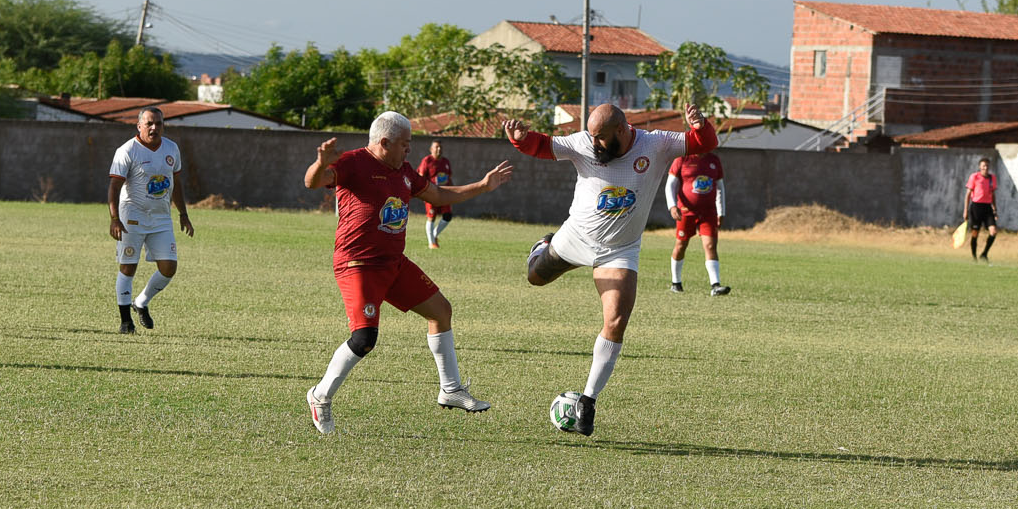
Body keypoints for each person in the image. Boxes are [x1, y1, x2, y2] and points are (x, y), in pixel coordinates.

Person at [502, 101, 717, 437]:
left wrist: (700, 126)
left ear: (621, 129)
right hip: (575, 238)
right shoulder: (584, 143)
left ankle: (587, 401)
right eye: (592, 136)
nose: (595, 144)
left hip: (619, 251)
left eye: (601, 137)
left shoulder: (656, 144)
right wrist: (520, 139)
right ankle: (544, 245)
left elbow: (703, 144)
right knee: (535, 278)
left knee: (616, 321)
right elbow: (543, 146)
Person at [303, 111, 513, 434]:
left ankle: (450, 389)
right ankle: (320, 395)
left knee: (441, 311)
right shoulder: (353, 163)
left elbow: (438, 195)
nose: (409, 150)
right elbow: (312, 182)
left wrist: (483, 186)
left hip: (393, 263)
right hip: (358, 264)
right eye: (405, 144)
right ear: (385, 142)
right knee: (364, 339)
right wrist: (320, 163)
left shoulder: (402, 171)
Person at [107, 106, 194, 333]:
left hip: (161, 218)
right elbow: (114, 186)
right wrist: (115, 218)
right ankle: (126, 321)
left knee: (169, 267)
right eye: (149, 124)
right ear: (139, 126)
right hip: (132, 217)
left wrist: (183, 214)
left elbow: (176, 183)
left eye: (159, 123)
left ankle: (141, 302)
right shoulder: (127, 150)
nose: (154, 127)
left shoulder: (171, 148)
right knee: (128, 267)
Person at [665, 144, 728, 295]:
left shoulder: (714, 160)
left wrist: (721, 211)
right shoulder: (682, 159)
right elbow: (670, 185)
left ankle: (715, 285)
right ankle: (676, 283)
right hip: (686, 212)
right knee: (681, 245)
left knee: (710, 246)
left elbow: (720, 187)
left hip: (709, 212)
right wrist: (672, 206)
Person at [418, 139, 454, 248]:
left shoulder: (446, 162)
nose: (439, 149)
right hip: (431, 194)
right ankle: (431, 243)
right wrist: (423, 193)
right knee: (431, 217)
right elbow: (421, 177)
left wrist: (452, 190)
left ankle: (434, 235)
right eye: (436, 147)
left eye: (440, 147)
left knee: (447, 216)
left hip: (444, 194)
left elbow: (449, 178)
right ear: (431, 149)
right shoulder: (427, 161)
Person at [963, 157, 1000, 262]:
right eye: (983, 165)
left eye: (987, 165)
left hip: (987, 207)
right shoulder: (974, 177)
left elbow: (993, 195)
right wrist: (965, 210)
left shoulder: (992, 178)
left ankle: (984, 254)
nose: (985, 167)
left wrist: (995, 209)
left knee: (993, 231)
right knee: (975, 233)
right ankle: (974, 257)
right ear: (980, 167)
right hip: (976, 207)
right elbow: (968, 194)